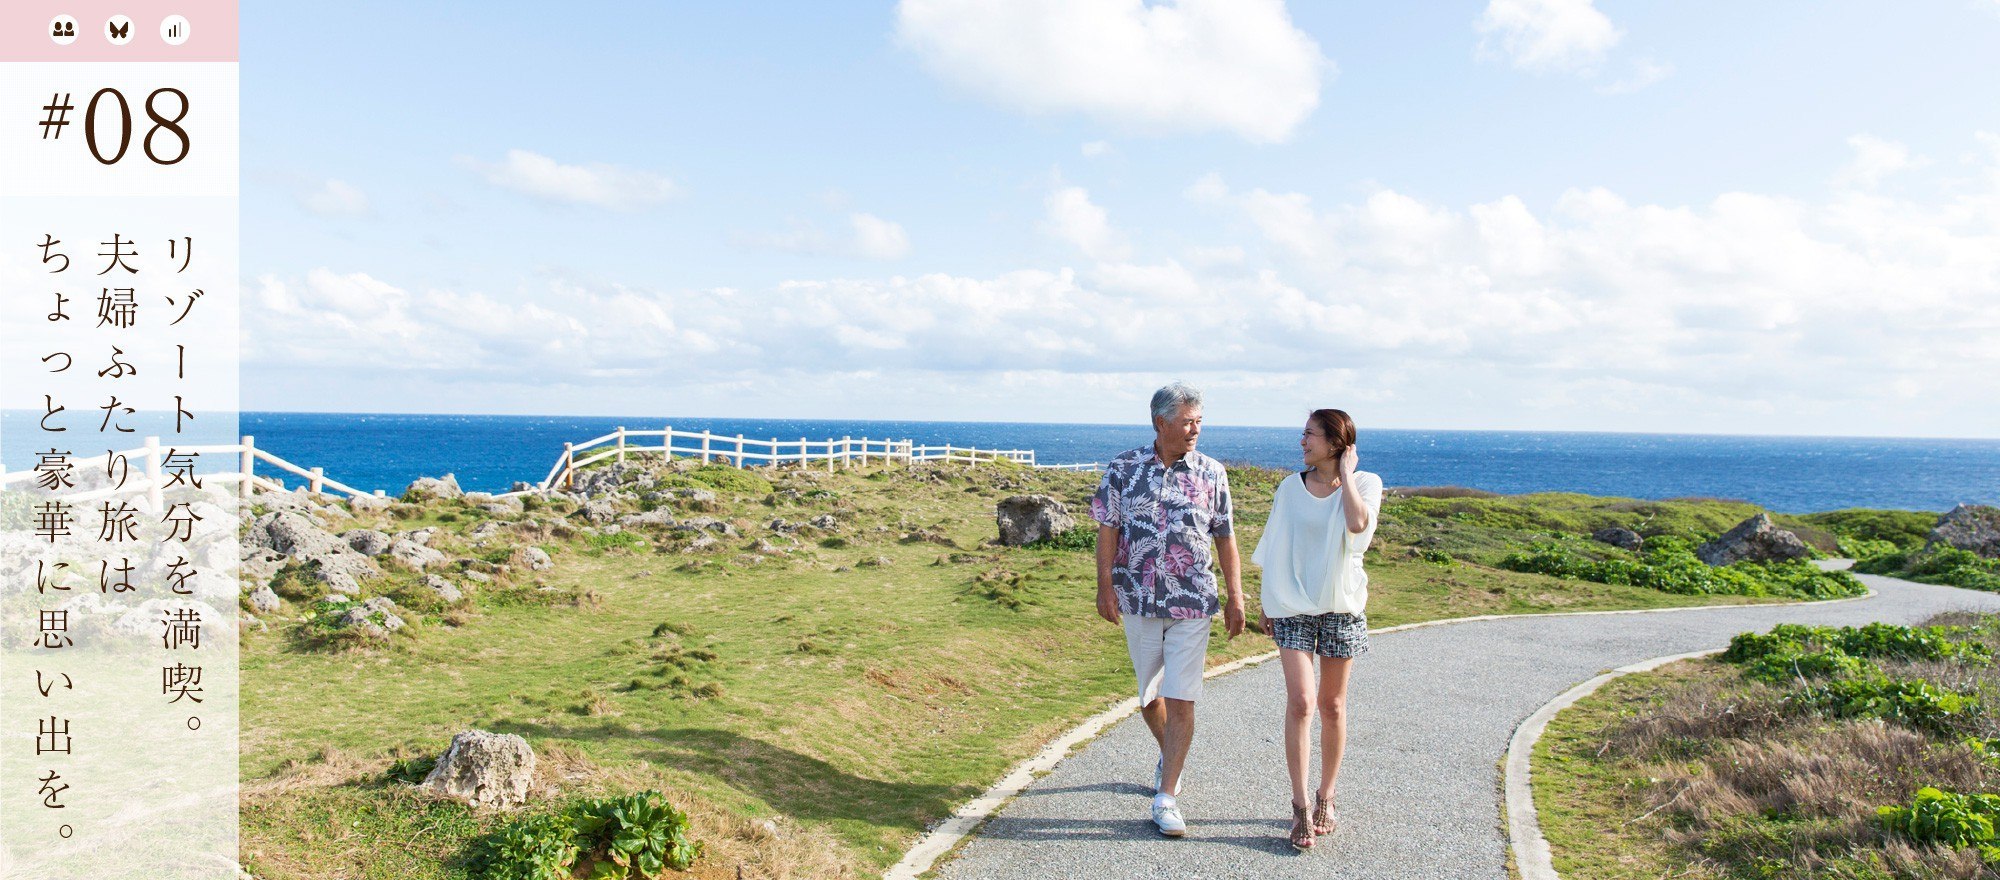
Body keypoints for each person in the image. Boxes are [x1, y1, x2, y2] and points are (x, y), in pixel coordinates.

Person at [1090, 382, 1246, 838]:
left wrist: (1237, 596)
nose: (1195, 429)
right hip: (1137, 596)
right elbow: (1108, 530)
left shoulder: (1213, 472)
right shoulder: (1123, 468)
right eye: (1187, 421)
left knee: (1182, 696)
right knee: (1149, 697)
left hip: (1193, 600)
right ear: (1161, 423)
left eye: (1199, 420)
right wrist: (1104, 588)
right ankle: (1169, 754)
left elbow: (1225, 536)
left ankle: (1168, 796)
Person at [1250, 408, 1381, 850]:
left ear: (1335, 441)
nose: (1302, 441)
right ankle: (1301, 804)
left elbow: (1357, 526)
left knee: (1333, 706)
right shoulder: (1290, 487)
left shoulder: (1366, 485)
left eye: (1309, 434)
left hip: (1341, 608)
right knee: (1302, 702)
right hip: (1292, 606)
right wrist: (1268, 601)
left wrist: (1345, 473)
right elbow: (1275, 544)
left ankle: (1328, 794)